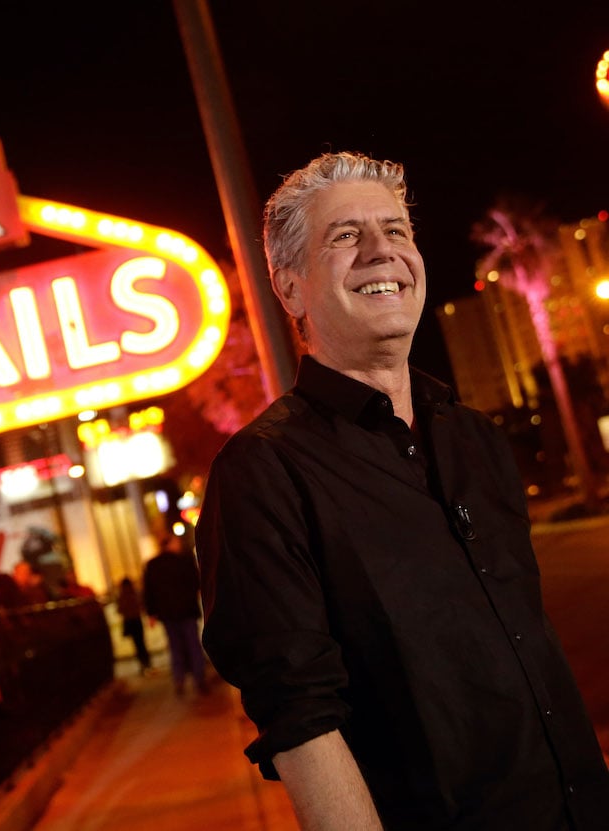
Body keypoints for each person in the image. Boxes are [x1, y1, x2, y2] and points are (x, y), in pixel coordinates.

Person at [196, 151, 609, 829]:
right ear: (291, 289)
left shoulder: (475, 437)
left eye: (395, 231)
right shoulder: (261, 474)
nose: (380, 251)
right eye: (344, 236)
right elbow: (300, 722)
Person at [141, 535, 207, 697]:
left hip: (167, 614)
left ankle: (179, 679)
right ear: (169, 543)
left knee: (175, 646)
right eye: (176, 542)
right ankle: (199, 679)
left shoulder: (153, 565)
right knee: (193, 645)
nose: (178, 544)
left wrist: (151, 613)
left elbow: (149, 591)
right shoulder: (184, 561)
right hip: (187, 611)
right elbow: (196, 583)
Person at [115, 577, 152, 676]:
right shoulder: (134, 593)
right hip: (136, 621)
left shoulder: (122, 596)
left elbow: (119, 610)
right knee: (141, 643)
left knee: (137, 644)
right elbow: (141, 605)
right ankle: (147, 663)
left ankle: (143, 664)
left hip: (129, 622)